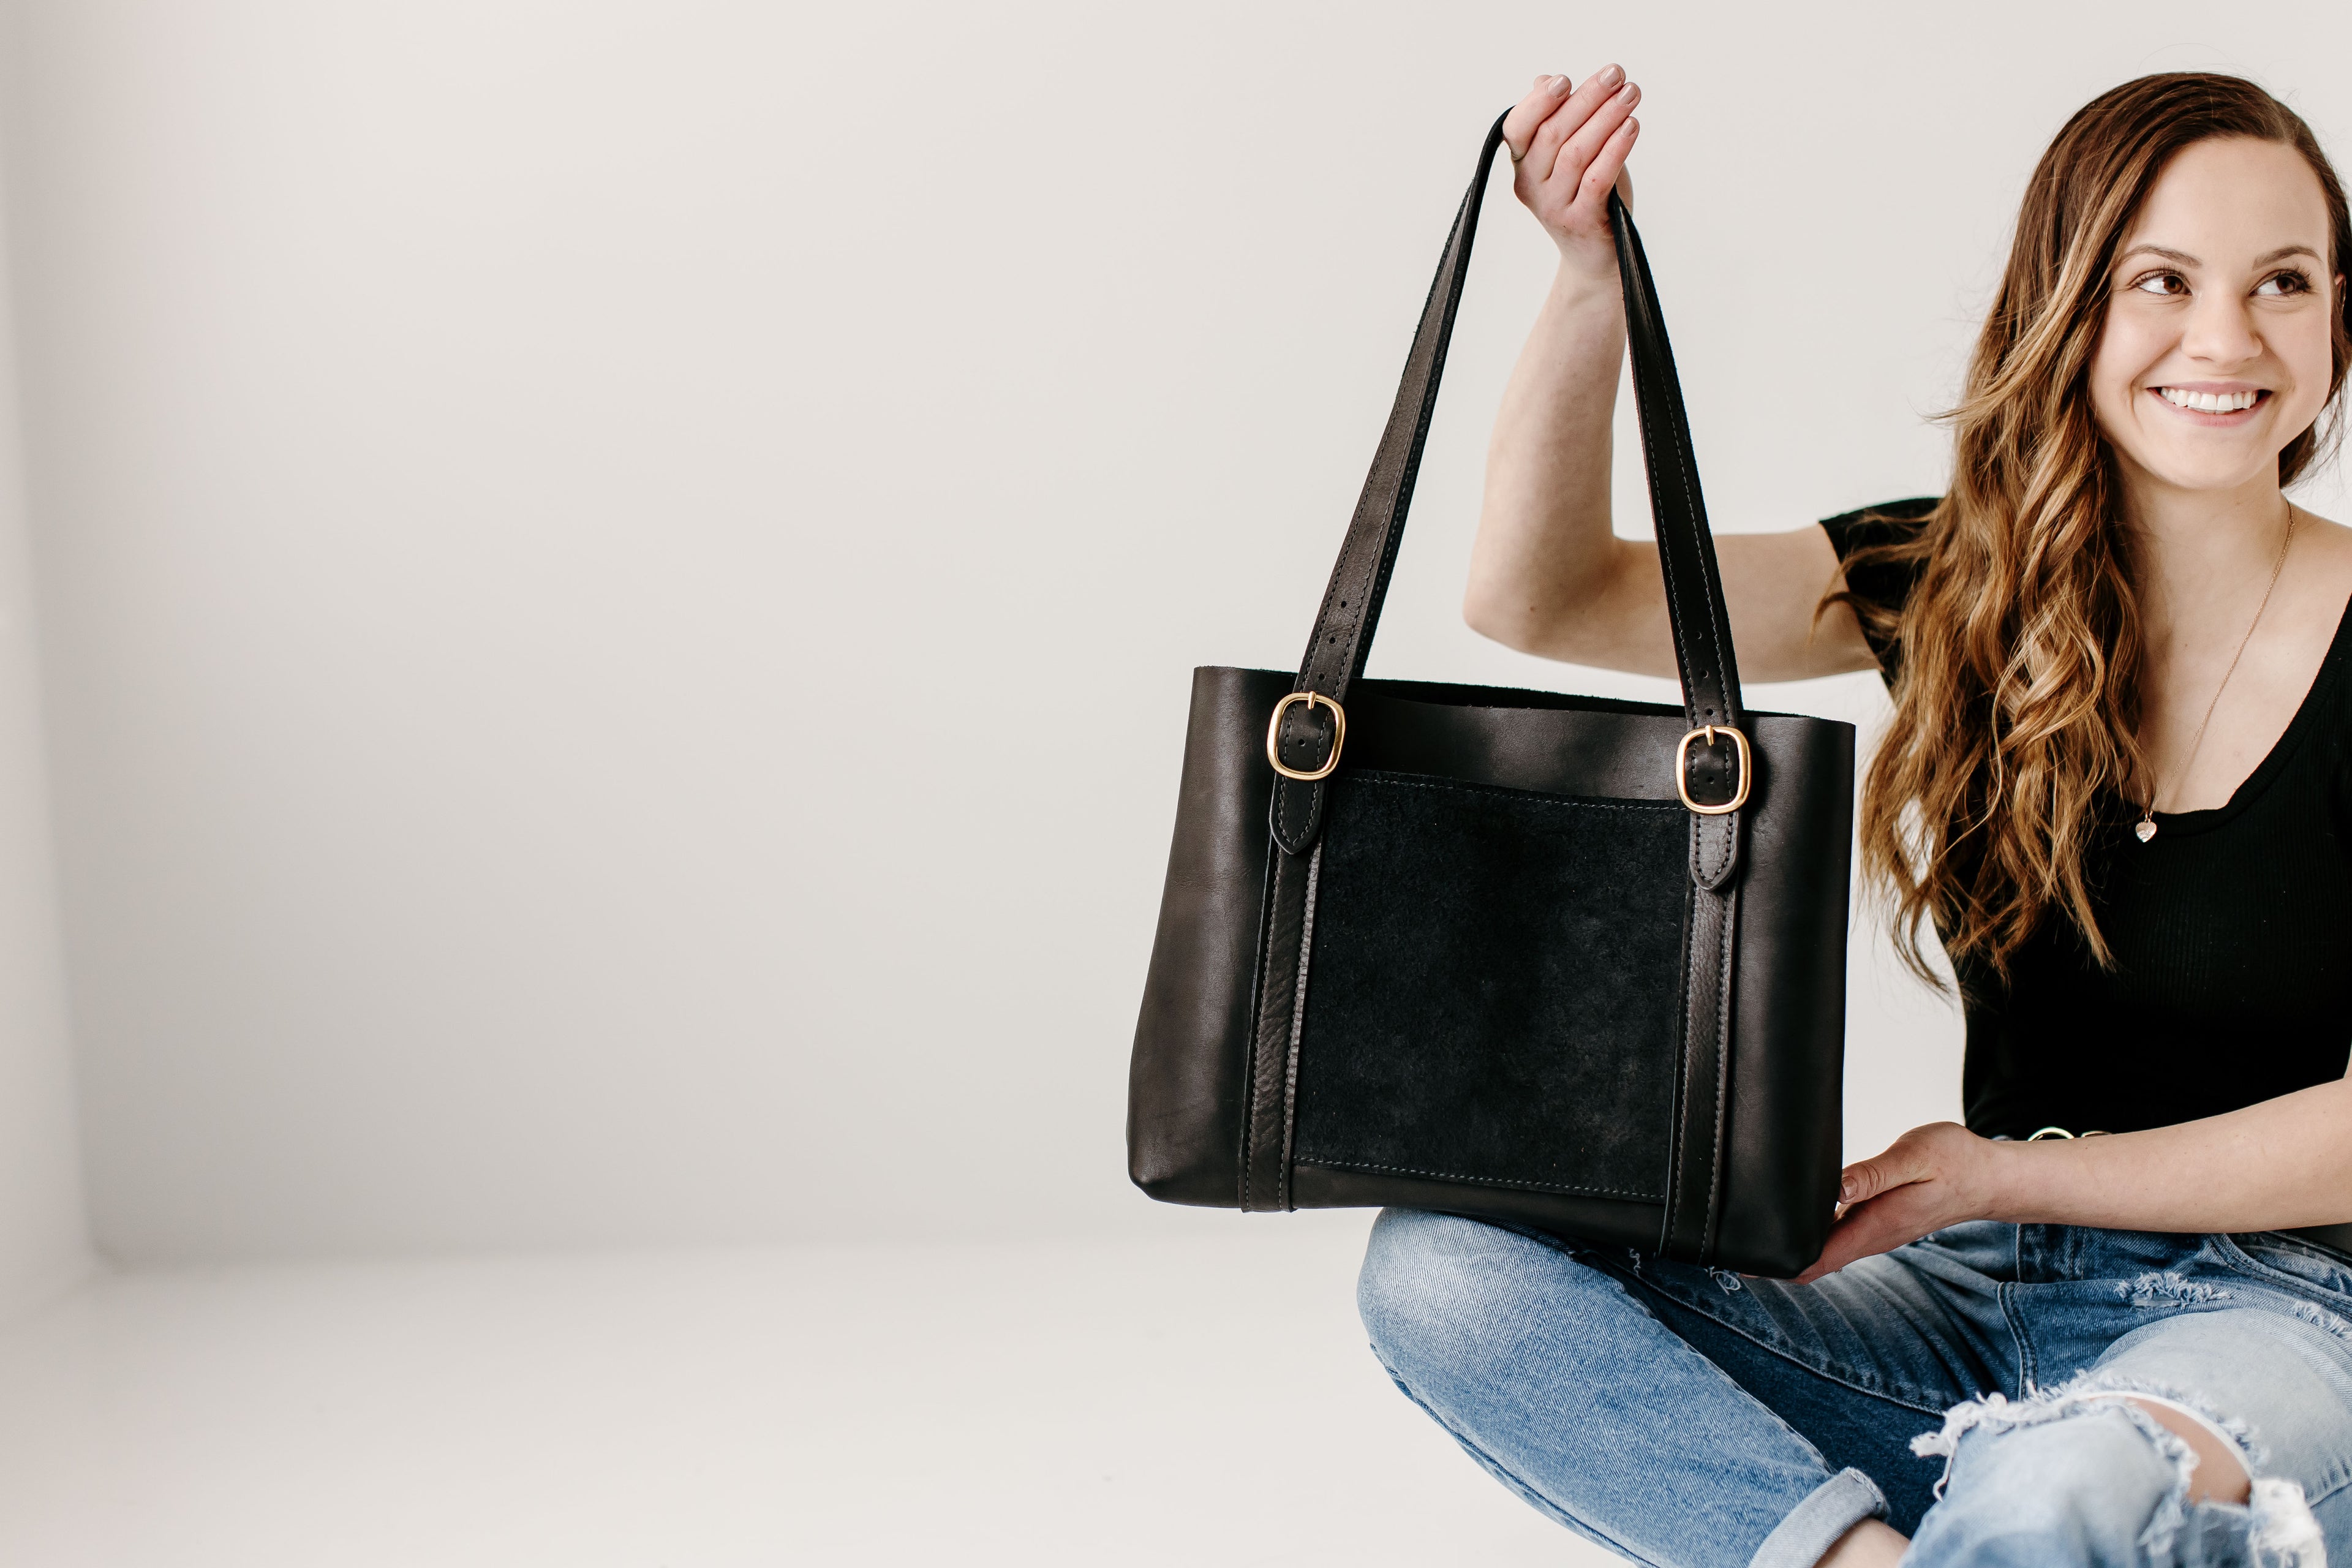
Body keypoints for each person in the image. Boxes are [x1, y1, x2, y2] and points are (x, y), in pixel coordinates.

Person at [1356, 70, 2352, 1567]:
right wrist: (1588, 282)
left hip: (2281, 1317)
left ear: (2339, 318)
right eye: (2163, 279)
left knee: (2063, 1493)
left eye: (2283, 282)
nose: (2226, 338)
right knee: (1445, 1263)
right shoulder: (1959, 583)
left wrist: (2011, 1170)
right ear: (2069, 307)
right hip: (1961, 1300)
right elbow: (1539, 594)